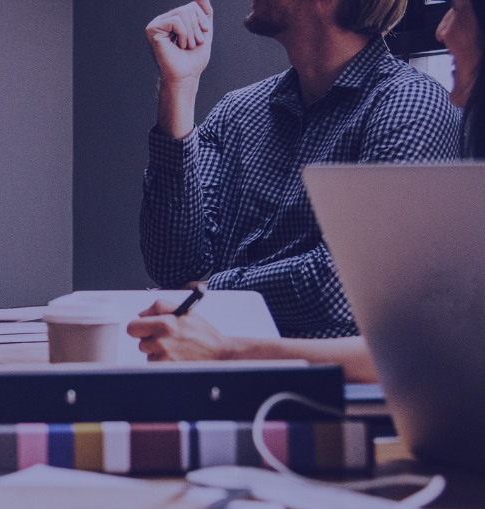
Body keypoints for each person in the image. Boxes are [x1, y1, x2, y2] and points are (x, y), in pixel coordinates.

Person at [129, 0, 483, 383]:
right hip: (214, 380)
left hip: (328, 401)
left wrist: (206, 290)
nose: (443, 29)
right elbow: (172, 265)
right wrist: (178, 89)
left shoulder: (410, 106)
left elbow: (340, 288)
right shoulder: (237, 111)